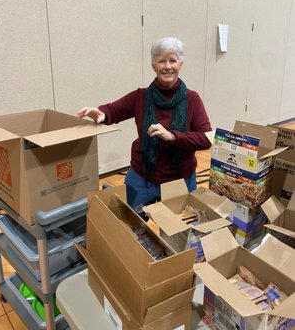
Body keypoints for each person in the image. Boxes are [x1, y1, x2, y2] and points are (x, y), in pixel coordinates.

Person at [77, 37, 212, 218]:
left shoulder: (192, 99)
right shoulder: (140, 96)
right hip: (142, 176)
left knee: (177, 236)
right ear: (153, 66)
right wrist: (101, 113)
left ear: (180, 64)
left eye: (172, 60)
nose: (167, 66)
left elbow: (206, 139)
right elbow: (113, 110)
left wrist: (173, 136)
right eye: (161, 61)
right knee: (129, 226)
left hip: (180, 179)